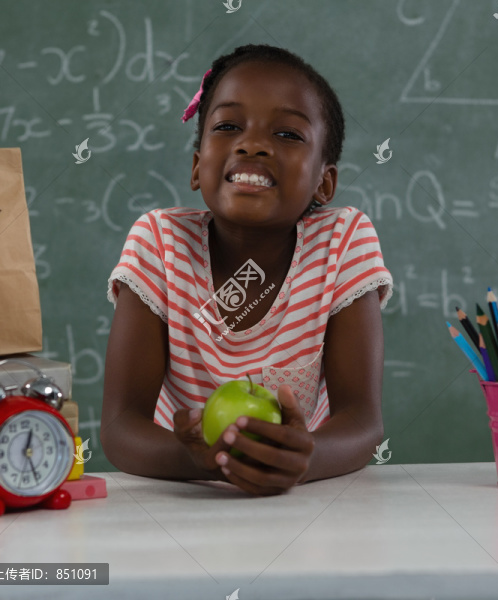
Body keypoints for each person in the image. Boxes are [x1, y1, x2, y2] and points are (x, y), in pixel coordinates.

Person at [101, 44, 393, 496]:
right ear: (197, 166)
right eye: (228, 126)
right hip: (183, 505)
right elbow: (121, 427)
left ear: (325, 181)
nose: (253, 143)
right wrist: (207, 461)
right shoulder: (159, 243)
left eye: (289, 135)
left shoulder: (343, 241)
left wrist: (303, 458)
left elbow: (362, 420)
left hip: (303, 507)